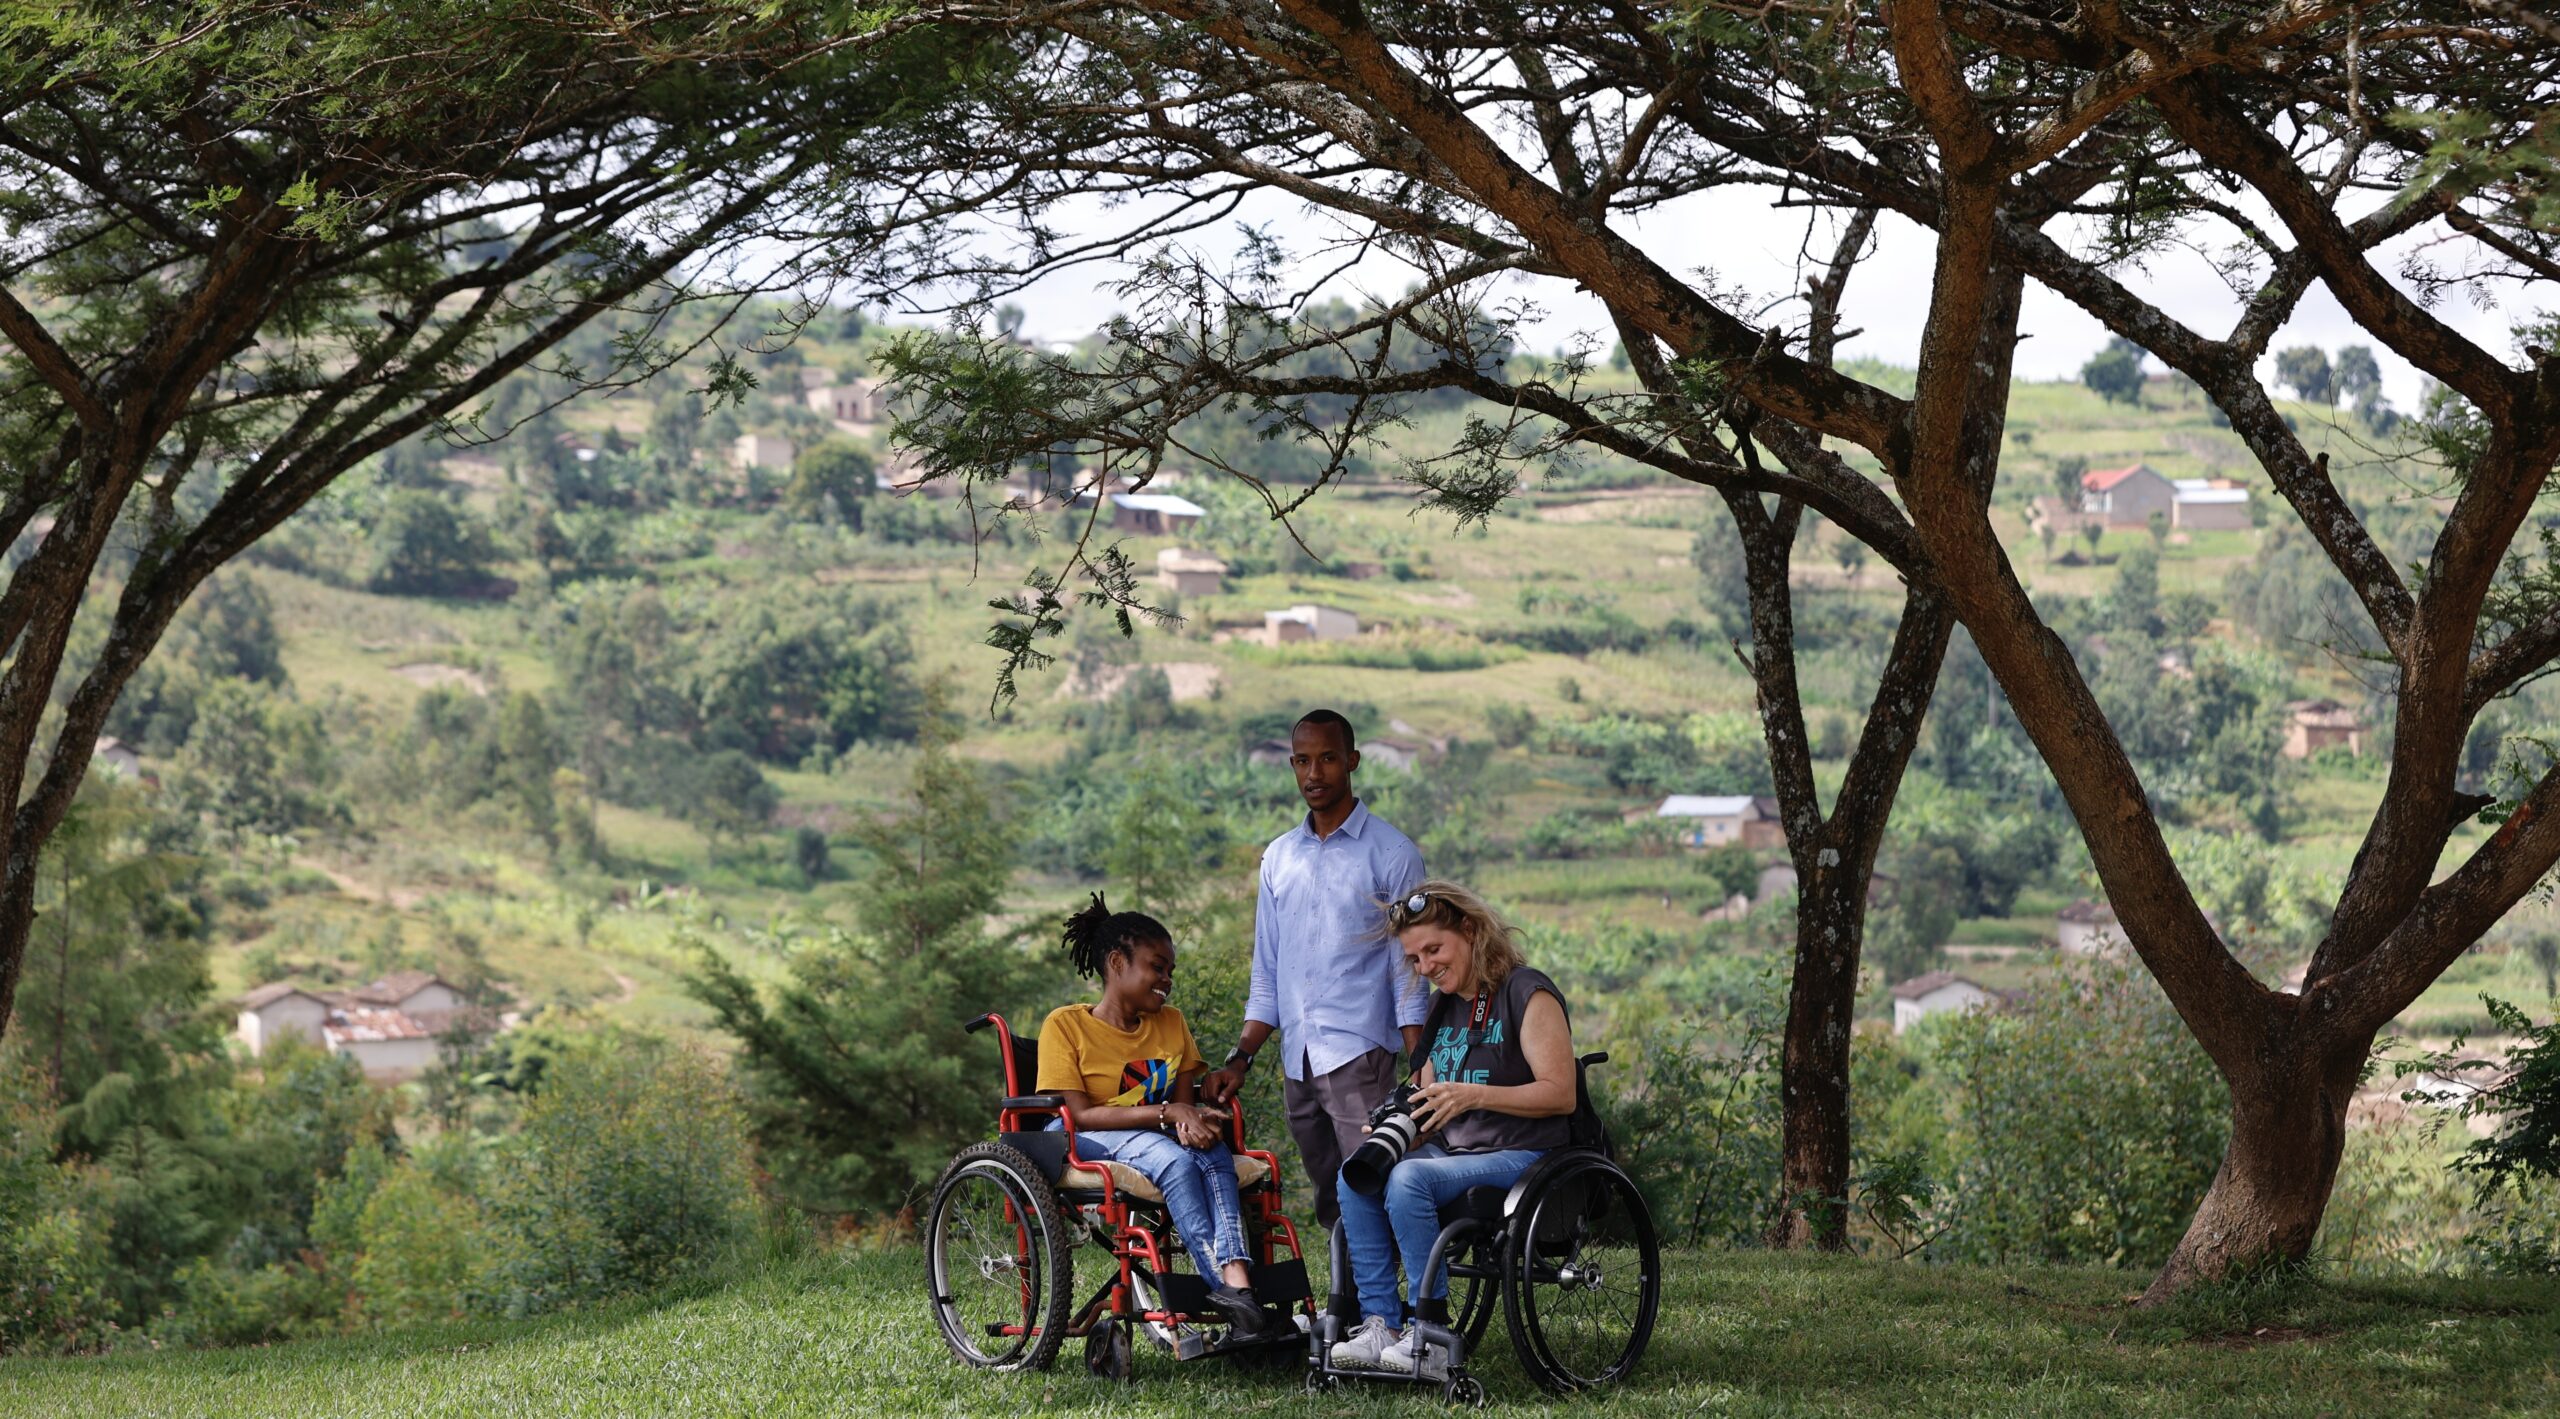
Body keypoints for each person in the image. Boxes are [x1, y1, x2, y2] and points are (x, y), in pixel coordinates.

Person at [1328, 881, 1576, 1374]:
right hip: (1455, 1152)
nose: (1425, 966)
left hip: (1526, 1153)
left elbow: (1561, 1093)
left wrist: (1474, 1094)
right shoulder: (1444, 1008)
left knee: (1409, 1179)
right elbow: (1429, 1099)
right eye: (1415, 958)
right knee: (1356, 1175)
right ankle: (1381, 1323)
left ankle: (1432, 1333)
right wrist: (1398, 1130)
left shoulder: (1527, 992)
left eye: (1433, 949)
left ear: (1470, 930)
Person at [1203, 708, 1427, 1231]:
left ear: (1351, 761)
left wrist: (1419, 1061)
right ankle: (1349, 1305)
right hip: (1297, 1059)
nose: (1314, 774)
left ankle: (1396, 1307)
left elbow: (1410, 968)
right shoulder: (1279, 858)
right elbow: (1269, 970)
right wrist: (1241, 1058)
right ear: (1291, 765)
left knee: (1377, 1182)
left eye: (1327, 759)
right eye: (1303, 761)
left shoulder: (1392, 853)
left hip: (1360, 1052)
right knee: (1332, 1195)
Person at [1037, 893, 1274, 1339]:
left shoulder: (1171, 1022)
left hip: (1154, 1133)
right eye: (1156, 967)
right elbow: (1082, 1114)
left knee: (1210, 1152)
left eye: (1170, 971)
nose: (1166, 980)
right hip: (1081, 1134)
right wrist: (1171, 1112)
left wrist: (1195, 1122)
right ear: (1116, 962)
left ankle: (1238, 1281)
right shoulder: (1066, 1025)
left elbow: (1183, 1105)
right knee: (1177, 1162)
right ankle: (1222, 1286)